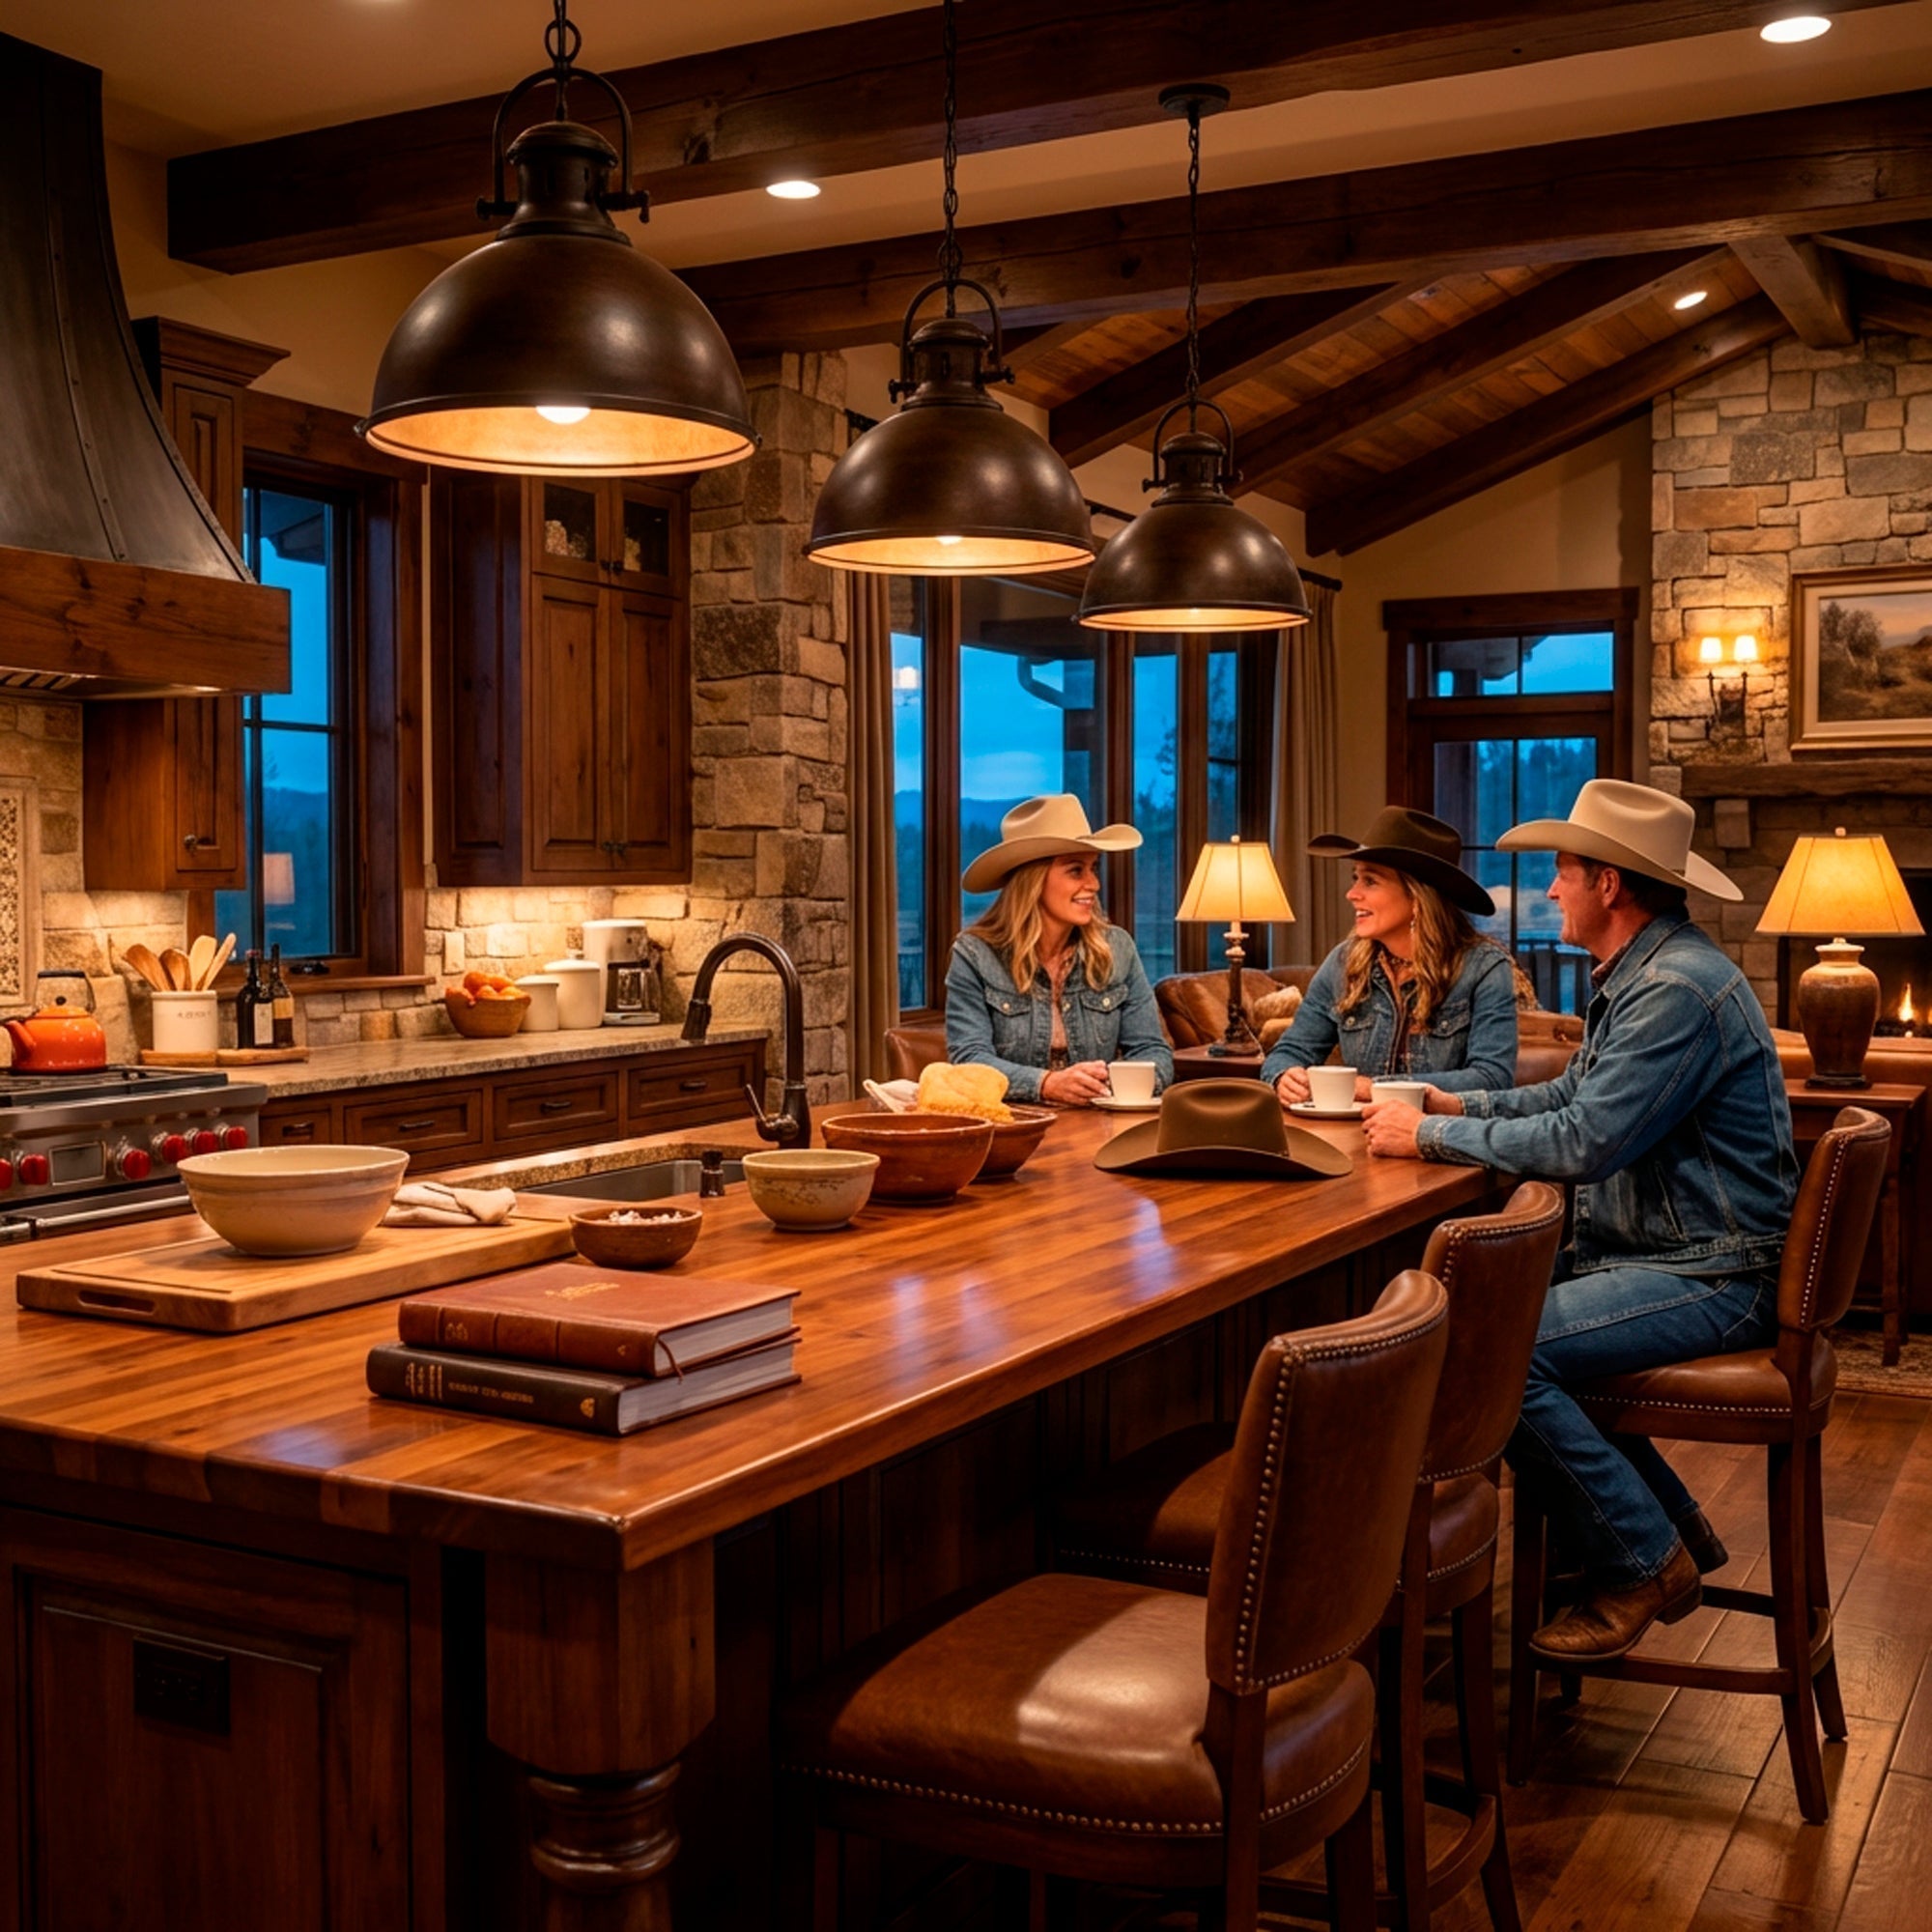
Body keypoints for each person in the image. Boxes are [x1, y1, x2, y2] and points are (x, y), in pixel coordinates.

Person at [1361, 780, 1798, 1661]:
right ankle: (1671, 1535)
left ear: (1610, 884)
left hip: (1713, 1274)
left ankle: (1643, 1561)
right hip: (1680, 1256)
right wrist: (1453, 1101)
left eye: (1563, 871)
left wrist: (1431, 1132)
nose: (1551, 888)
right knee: (1490, 1336)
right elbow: (1573, 1094)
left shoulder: (1676, 988)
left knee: (1490, 1353)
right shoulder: (1649, 971)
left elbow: (1588, 1139)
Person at [1263, 807, 1519, 1106]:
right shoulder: (1343, 963)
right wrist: (1284, 1075)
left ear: (1417, 897)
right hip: (1357, 1136)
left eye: (1370, 881)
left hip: (1441, 1141)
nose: (1352, 893)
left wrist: (1375, 1088)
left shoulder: (1484, 969)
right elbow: (1289, 1051)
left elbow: (1492, 1080)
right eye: (1355, 878)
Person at [945, 794, 1173, 1107]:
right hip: (1015, 1129)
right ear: (1033, 880)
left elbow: (1152, 1051)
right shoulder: (975, 955)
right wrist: (1047, 1084)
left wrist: (1107, 1083)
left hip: (1097, 1126)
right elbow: (969, 1064)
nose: (1094, 884)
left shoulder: (1117, 948)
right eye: (1076, 871)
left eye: (1094, 868)